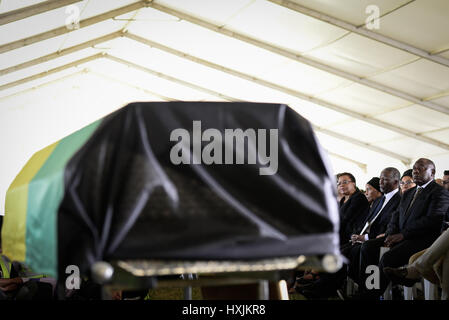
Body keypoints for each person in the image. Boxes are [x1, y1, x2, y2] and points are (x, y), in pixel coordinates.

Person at [356, 158, 449, 299]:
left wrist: (403, 234)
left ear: (432, 172)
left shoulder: (439, 192)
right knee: (368, 248)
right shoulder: (408, 193)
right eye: (414, 169)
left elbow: (432, 220)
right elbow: (395, 216)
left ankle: (372, 295)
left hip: (422, 239)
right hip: (400, 236)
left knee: (387, 258)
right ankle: (368, 288)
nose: (415, 171)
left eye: (421, 168)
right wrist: (390, 234)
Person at [337, 172, 370, 245]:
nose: (341, 185)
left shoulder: (359, 197)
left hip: (352, 237)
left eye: (345, 182)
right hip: (341, 233)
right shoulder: (343, 200)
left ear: (354, 183)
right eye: (339, 183)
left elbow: (346, 218)